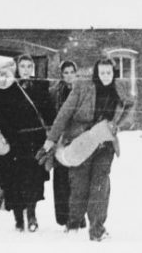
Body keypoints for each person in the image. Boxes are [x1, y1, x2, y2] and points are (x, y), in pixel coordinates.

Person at [41, 58, 123, 242]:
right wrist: (50, 140)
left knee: (100, 186)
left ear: (113, 73)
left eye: (109, 73)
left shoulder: (119, 90)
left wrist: (118, 125)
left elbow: (129, 107)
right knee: (79, 185)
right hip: (80, 142)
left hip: (105, 145)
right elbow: (64, 114)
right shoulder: (82, 88)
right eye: (102, 73)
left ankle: (97, 230)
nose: (105, 77)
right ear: (96, 73)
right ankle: (73, 224)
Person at [0, 55, 49, 232]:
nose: (25, 69)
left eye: (28, 66)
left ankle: (31, 215)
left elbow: (48, 112)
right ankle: (18, 218)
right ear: (17, 68)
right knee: (14, 180)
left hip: (34, 141)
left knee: (33, 180)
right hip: (15, 141)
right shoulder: (7, 87)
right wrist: (9, 133)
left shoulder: (40, 88)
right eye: (22, 66)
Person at [51, 60, 86, 229]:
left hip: (78, 139)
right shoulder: (55, 92)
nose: (69, 75)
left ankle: (78, 217)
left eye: (72, 72)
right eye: (65, 72)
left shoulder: (84, 91)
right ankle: (64, 217)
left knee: (78, 180)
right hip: (61, 140)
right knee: (62, 180)